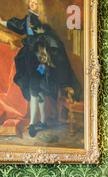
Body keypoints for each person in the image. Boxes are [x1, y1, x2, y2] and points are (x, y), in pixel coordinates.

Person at [0, 0, 80, 137]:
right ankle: (40, 121)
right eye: (31, 2)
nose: (33, 4)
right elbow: (18, 25)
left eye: (36, 2)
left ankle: (33, 123)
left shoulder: (43, 23)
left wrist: (44, 56)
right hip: (29, 59)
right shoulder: (28, 19)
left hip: (41, 61)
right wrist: (3, 23)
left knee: (37, 89)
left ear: (39, 6)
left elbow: (52, 42)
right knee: (36, 89)